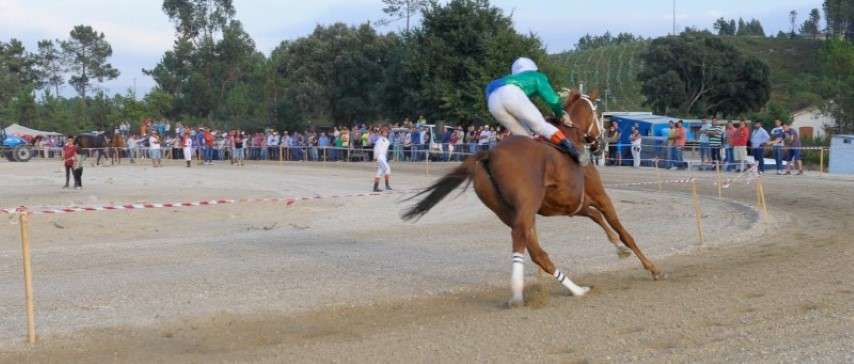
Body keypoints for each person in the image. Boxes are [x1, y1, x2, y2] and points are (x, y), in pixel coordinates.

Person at [485, 57, 587, 165]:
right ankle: (575, 153)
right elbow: (553, 99)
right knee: (541, 126)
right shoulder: (536, 76)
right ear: (534, 68)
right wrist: (560, 114)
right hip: (511, 94)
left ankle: (525, 162)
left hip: (492, 101)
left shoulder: (504, 79)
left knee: (524, 137)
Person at [373, 127, 392, 192]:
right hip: (380, 156)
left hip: (384, 157)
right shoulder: (379, 140)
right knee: (384, 169)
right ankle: (376, 187)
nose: (385, 133)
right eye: (384, 132)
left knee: (386, 170)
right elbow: (376, 148)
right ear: (381, 133)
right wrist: (376, 157)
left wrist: (387, 158)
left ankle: (385, 186)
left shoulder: (387, 141)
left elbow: (386, 150)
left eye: (386, 132)